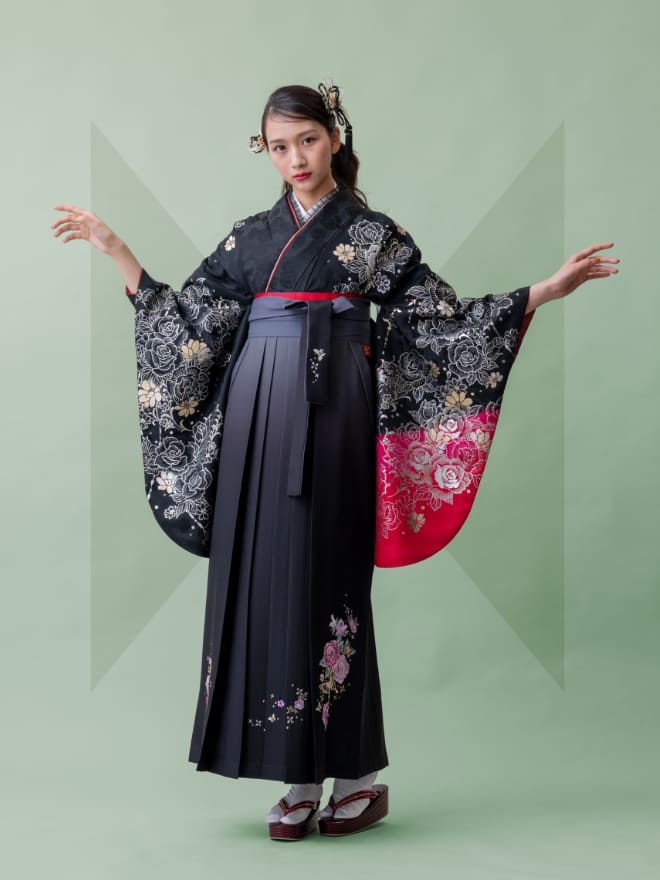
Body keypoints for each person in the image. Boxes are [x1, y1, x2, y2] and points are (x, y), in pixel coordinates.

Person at [51, 81, 619, 841]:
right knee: (262, 578)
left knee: (330, 577)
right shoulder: (251, 237)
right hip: (257, 412)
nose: (295, 158)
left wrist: (540, 292)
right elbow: (187, 326)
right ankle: (295, 775)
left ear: (335, 138)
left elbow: (439, 321)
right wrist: (119, 251)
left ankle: (356, 778)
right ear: (265, 151)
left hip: (340, 407)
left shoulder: (372, 234)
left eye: (308, 140)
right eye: (278, 147)